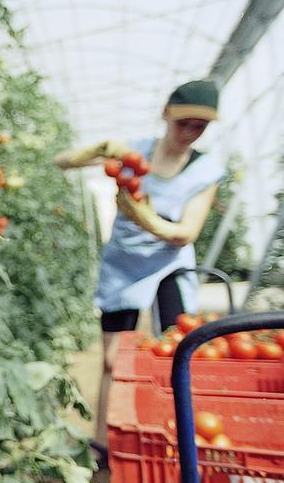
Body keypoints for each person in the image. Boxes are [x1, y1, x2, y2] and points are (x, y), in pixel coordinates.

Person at [54, 80, 225, 465]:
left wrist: (148, 219)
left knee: (178, 351)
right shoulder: (135, 152)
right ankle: (102, 445)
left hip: (169, 264)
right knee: (113, 358)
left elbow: (186, 233)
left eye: (199, 127)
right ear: (166, 115)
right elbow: (62, 161)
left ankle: (175, 439)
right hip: (124, 263)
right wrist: (96, 151)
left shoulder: (206, 171)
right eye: (184, 123)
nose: (190, 133)